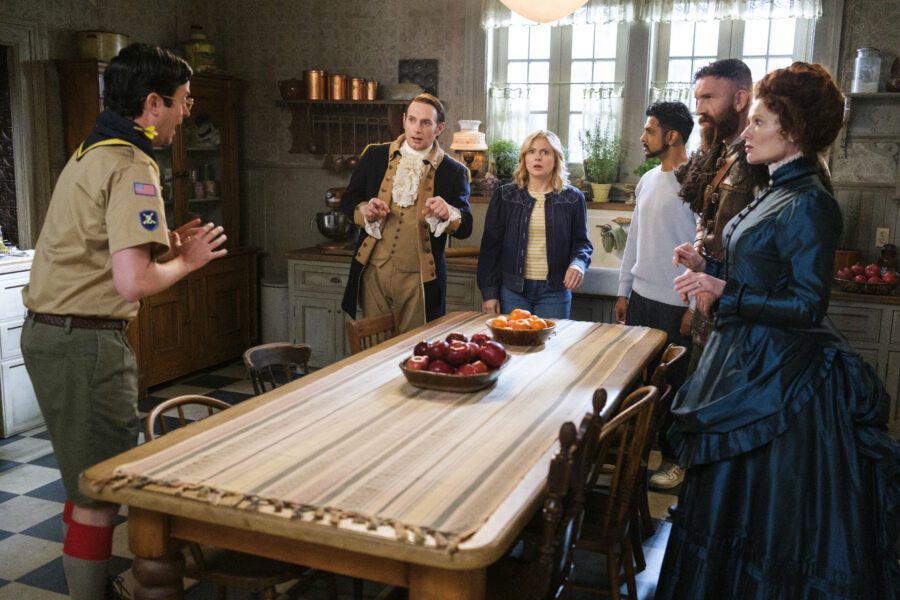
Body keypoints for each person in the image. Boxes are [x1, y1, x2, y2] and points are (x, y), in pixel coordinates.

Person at [657, 62, 900, 599]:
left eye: (760, 121)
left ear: (793, 131)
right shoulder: (775, 188)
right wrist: (707, 265)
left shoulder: (811, 200)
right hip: (745, 359)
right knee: (728, 504)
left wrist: (723, 291)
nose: (747, 131)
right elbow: (762, 271)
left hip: (781, 379)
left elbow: (808, 306)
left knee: (767, 516)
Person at [20, 44, 227, 600]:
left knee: (84, 475)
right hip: (85, 342)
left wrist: (167, 247)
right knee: (101, 489)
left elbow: (101, 251)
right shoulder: (132, 163)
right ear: (153, 103)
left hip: (52, 332)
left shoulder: (92, 149)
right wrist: (188, 262)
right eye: (183, 101)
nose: (187, 112)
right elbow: (133, 283)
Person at [614, 101, 697, 490]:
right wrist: (623, 292)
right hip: (641, 300)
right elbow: (634, 239)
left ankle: (675, 460)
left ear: (672, 136)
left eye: (650, 130)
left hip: (677, 304)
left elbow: (704, 248)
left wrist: (694, 307)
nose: (643, 137)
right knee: (640, 384)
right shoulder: (648, 179)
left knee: (673, 386)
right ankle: (637, 458)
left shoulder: (696, 183)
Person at [340, 93, 472, 333]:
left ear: (439, 128)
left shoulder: (454, 171)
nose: (417, 129)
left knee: (415, 347)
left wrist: (448, 212)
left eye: (426, 122)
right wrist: (365, 211)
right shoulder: (374, 156)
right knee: (376, 348)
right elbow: (349, 200)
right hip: (374, 274)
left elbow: (466, 227)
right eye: (412, 120)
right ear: (404, 121)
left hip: (419, 280)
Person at [676, 58, 769, 370]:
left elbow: (764, 252)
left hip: (742, 317)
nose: (699, 110)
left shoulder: (761, 159)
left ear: (740, 100)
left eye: (708, 98)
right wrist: (698, 259)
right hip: (711, 308)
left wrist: (716, 281)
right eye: (697, 99)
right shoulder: (719, 153)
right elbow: (706, 218)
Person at [477, 130, 592, 319]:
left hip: (555, 292)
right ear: (524, 158)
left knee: (551, 339)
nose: (538, 157)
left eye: (545, 152)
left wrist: (578, 264)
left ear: (556, 159)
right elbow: (490, 249)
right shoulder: (505, 196)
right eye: (531, 151)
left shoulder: (573, 198)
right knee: (513, 338)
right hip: (513, 291)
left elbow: (582, 243)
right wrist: (489, 293)